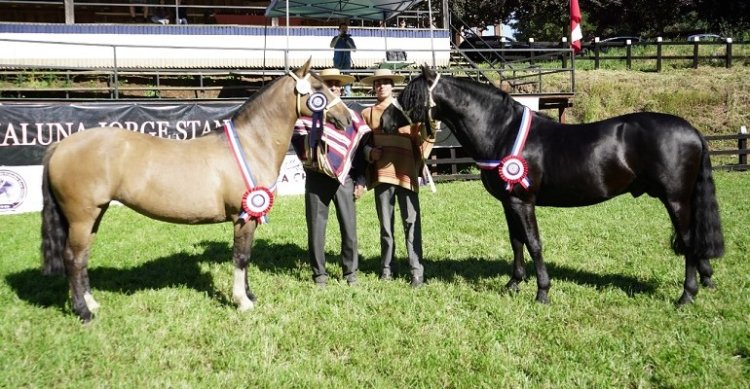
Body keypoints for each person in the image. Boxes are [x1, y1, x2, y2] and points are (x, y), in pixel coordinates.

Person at [290, 68, 371, 287]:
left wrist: (361, 180)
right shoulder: (307, 116)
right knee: (316, 229)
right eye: (329, 84)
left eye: (337, 84)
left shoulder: (352, 117)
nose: (334, 87)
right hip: (316, 178)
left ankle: (350, 273)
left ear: (342, 88)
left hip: (345, 179)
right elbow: (301, 147)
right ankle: (319, 275)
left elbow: (361, 152)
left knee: (349, 228)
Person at [360, 69, 434, 287]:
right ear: (374, 87)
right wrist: (369, 153)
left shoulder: (408, 112)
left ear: (393, 86)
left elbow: (423, 138)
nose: (381, 86)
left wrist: (432, 125)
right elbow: (361, 145)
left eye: (385, 82)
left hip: (406, 174)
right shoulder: (367, 113)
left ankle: (416, 271)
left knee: (412, 223)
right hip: (382, 176)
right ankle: (387, 268)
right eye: (378, 83)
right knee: (385, 225)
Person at [329, 22, 357, 96]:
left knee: (347, 78)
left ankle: (348, 95)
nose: (344, 30)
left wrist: (347, 40)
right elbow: (331, 45)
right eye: (342, 28)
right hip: (337, 60)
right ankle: (336, 94)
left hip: (347, 61)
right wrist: (339, 37)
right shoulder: (335, 38)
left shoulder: (350, 39)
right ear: (339, 29)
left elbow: (354, 49)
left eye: (345, 28)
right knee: (337, 78)